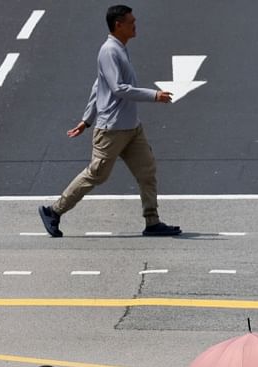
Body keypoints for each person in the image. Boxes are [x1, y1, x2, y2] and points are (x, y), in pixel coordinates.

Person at [37, 5, 180, 238]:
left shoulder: (120, 49)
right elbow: (117, 88)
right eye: (131, 22)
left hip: (132, 128)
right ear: (118, 25)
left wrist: (86, 120)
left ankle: (152, 221)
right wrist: (154, 95)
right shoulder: (109, 51)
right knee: (96, 175)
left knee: (147, 171)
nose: (135, 25)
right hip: (112, 130)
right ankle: (53, 211)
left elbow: (98, 86)